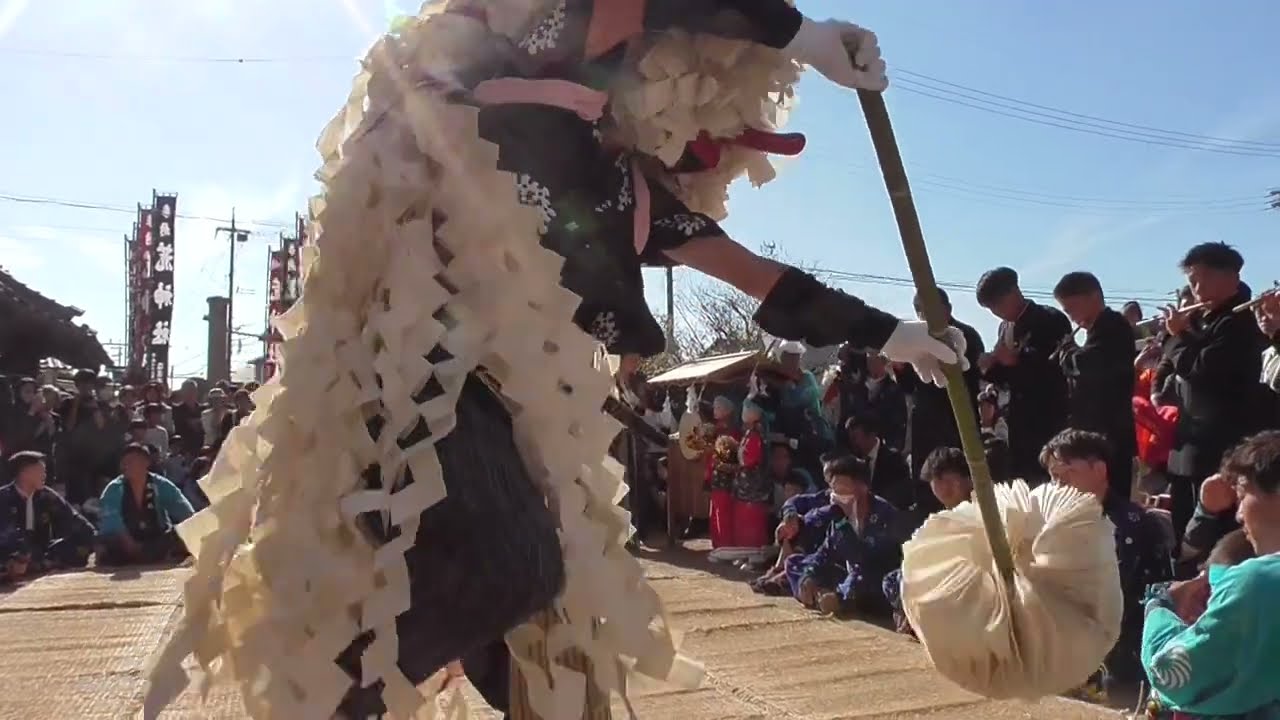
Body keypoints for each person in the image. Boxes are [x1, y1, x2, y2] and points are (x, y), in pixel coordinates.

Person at [148, 5, 968, 718]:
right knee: (515, 570)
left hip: (502, 405)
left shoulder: (629, 197)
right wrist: (800, 35)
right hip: (412, 376)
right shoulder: (507, 71)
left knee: (554, 651)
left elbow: (766, 281)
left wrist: (891, 334)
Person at [1141, 430, 1280, 718]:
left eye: (1243, 494)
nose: (1239, 515)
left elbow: (1172, 673)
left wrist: (1161, 606)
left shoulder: (1260, 583)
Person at [1039, 429, 1171, 686]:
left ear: (1099, 470)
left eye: (1068, 474)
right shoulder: (1050, 522)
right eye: (1054, 477)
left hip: (1124, 653)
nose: (1059, 485)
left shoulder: (1133, 524)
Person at [1161, 243, 1265, 551]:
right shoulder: (1204, 318)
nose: (1195, 289)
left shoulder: (1239, 320)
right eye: (1191, 281)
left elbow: (1202, 369)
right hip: (1191, 440)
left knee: (1216, 534)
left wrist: (1179, 336)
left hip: (1222, 442)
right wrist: (1178, 332)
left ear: (1230, 277)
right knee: (1183, 523)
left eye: (1201, 279)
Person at [976, 266, 1072, 484]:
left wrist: (1016, 360)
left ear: (1014, 292)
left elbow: (1056, 369)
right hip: (1016, 423)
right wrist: (991, 368)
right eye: (991, 308)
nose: (996, 312)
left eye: (998, 304)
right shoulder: (1004, 328)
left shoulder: (1049, 319)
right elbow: (1008, 378)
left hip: (1047, 419)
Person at [1052, 271, 1138, 503]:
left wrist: (1068, 351)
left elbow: (1089, 364)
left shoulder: (1114, 326)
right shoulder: (1096, 332)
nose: (1072, 318)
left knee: (1112, 501)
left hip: (1111, 432)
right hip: (1096, 432)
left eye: (1072, 309)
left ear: (1093, 297)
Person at [787, 455, 900, 616]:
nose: (837, 497)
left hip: (875, 580)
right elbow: (825, 552)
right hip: (848, 574)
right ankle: (818, 594)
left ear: (862, 487)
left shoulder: (883, 514)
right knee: (795, 563)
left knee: (867, 580)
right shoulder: (839, 515)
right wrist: (808, 576)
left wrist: (841, 596)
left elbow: (865, 561)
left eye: (843, 491)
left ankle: (838, 599)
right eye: (834, 491)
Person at [895, 288, 985, 482]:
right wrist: (900, 368)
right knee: (926, 479)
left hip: (957, 417)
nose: (924, 314)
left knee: (959, 477)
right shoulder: (915, 339)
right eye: (919, 310)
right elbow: (909, 387)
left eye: (929, 308)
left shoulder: (965, 335)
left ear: (947, 309)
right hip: (925, 421)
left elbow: (971, 375)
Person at [882, 446, 973, 635]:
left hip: (969, 577)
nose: (944, 487)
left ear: (967, 478)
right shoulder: (943, 516)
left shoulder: (985, 505)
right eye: (936, 481)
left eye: (949, 481)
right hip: (941, 572)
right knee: (895, 579)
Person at [0, 451, 95, 578]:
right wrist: (23, 554)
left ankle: (41, 564)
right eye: (40, 471)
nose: (44, 475)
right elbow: (7, 533)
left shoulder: (46, 495)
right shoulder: (4, 497)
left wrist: (95, 537)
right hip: (12, 550)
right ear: (24, 473)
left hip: (43, 551)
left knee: (80, 542)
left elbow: (72, 518)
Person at [96, 443, 194, 566]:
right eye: (124, 462)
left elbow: (183, 509)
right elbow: (111, 519)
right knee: (107, 543)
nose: (125, 465)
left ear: (146, 463)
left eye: (130, 461)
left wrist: (192, 528)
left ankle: (151, 554)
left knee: (180, 534)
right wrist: (130, 544)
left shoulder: (161, 484)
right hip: (125, 540)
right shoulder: (114, 488)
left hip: (155, 538)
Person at [844, 414, 912, 511]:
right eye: (851, 438)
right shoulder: (852, 461)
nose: (853, 443)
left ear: (871, 435)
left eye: (855, 437)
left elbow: (902, 494)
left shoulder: (894, 459)